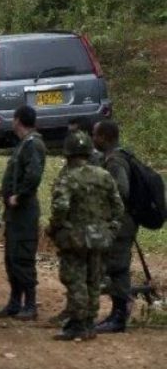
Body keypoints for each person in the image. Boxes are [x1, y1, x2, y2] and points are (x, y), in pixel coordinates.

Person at [47, 132, 123, 340]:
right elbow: (118, 207)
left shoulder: (68, 177)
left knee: (75, 279)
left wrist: (55, 228)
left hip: (75, 238)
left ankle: (78, 323)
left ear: (68, 154)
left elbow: (60, 208)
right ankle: (89, 323)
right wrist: (111, 229)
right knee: (93, 279)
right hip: (100, 237)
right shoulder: (104, 175)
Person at [0, 105, 46, 321]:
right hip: (14, 213)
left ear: (18, 120)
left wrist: (19, 195)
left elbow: (33, 175)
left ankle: (30, 304)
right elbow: (18, 173)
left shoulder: (33, 144)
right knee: (12, 257)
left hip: (24, 211)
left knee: (23, 257)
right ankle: (15, 302)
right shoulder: (24, 144)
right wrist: (4, 191)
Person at [92, 119, 138, 334]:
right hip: (120, 222)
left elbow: (122, 190)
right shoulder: (113, 158)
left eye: (95, 135)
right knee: (114, 266)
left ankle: (119, 316)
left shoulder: (115, 162)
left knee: (117, 267)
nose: (93, 139)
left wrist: (105, 205)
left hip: (121, 223)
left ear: (105, 137)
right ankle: (116, 313)